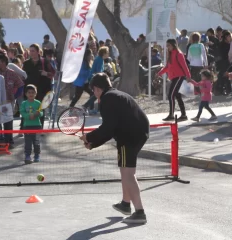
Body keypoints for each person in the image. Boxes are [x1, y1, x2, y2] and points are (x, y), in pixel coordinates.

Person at [79, 73, 149, 224]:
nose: (94, 94)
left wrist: (89, 137)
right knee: (125, 171)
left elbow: (108, 127)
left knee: (128, 173)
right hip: (137, 132)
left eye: (93, 91)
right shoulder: (116, 94)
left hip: (129, 135)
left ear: (97, 89)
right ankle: (125, 203)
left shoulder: (107, 99)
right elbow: (111, 128)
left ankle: (140, 212)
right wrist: (93, 143)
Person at [157, 39, 191, 122]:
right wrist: (159, 73)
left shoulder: (179, 54)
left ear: (173, 45)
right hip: (173, 77)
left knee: (171, 95)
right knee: (177, 95)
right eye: (167, 45)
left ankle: (171, 115)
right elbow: (167, 67)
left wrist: (188, 76)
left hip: (179, 76)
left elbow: (184, 66)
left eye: (169, 45)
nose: (167, 47)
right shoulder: (171, 54)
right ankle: (183, 115)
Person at [20, 85, 42, 164]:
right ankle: (27, 156)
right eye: (29, 92)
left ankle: (36, 155)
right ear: (26, 94)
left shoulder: (38, 103)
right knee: (28, 142)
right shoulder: (24, 103)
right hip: (27, 126)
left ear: (35, 94)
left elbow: (41, 113)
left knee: (36, 142)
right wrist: (29, 116)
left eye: (33, 92)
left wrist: (37, 114)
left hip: (37, 126)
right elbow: (22, 113)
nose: (31, 94)